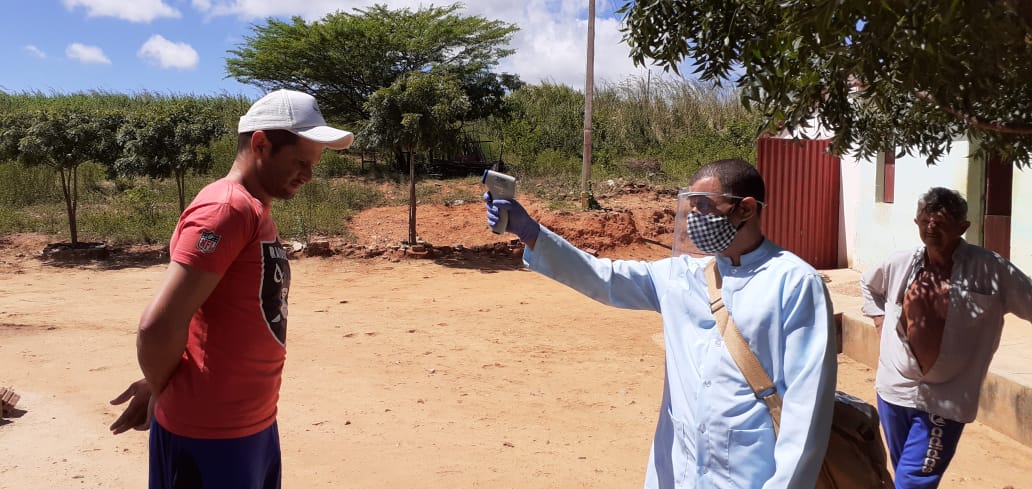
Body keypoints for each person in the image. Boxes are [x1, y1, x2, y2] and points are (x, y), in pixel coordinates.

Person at [484, 159, 837, 488]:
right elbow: (604, 278)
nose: (694, 217)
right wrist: (531, 233)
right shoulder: (683, 275)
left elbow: (805, 411)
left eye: (705, 207)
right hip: (678, 471)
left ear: (745, 208)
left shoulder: (794, 282)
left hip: (750, 474)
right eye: (692, 207)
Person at [108, 89, 354, 489]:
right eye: (300, 162)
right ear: (261, 144)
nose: (309, 175)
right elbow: (158, 325)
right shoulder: (227, 209)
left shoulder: (254, 208)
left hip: (249, 423)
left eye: (313, 165)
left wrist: (162, 384)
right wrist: (160, 388)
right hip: (211, 434)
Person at [860, 187, 1032, 489]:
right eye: (926, 221)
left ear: (962, 227)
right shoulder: (899, 263)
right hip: (894, 389)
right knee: (904, 472)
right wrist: (879, 319)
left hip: (946, 397)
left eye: (941, 223)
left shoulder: (990, 269)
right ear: (916, 221)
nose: (931, 229)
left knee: (913, 481)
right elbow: (869, 285)